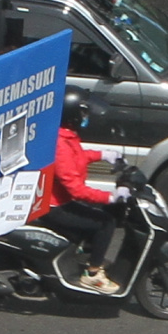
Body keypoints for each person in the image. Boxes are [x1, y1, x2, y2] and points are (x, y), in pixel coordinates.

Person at [40, 111, 127, 294]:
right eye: (83, 113)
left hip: (62, 200)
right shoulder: (60, 143)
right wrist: (110, 197)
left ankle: (86, 254)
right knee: (105, 223)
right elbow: (76, 189)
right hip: (54, 207)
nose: (86, 117)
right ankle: (92, 274)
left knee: (110, 212)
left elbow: (76, 158)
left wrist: (103, 155)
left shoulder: (66, 136)